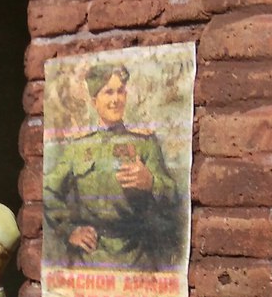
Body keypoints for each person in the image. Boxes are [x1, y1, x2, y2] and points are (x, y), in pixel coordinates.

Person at [42, 63, 183, 268]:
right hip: (89, 258)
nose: (115, 99)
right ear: (94, 101)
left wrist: (151, 182)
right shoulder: (78, 147)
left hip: (136, 257)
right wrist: (68, 230)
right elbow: (48, 189)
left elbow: (173, 196)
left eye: (120, 91)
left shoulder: (144, 143)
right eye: (108, 92)